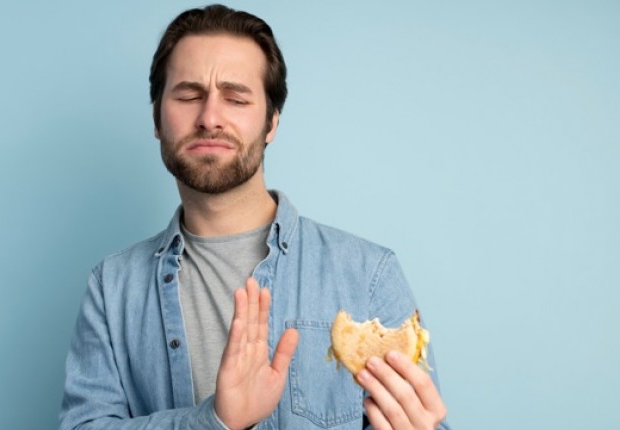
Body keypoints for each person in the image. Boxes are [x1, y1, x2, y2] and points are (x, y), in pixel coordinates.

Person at [60, 4, 449, 430]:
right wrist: (213, 421)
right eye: (188, 96)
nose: (210, 118)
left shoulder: (369, 275)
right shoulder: (112, 287)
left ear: (271, 123)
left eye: (236, 98)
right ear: (157, 118)